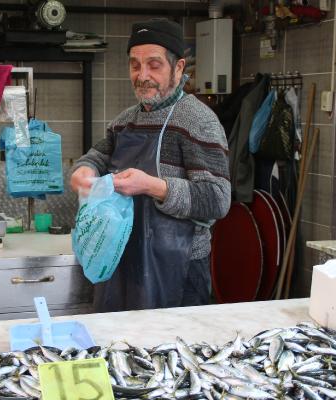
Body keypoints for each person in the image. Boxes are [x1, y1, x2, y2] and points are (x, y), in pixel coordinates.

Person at [70, 18, 231, 312]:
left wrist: (151, 186)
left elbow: (217, 199)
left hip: (178, 269)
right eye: (135, 65)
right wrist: (85, 170)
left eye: (154, 65)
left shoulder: (198, 121)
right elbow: (97, 157)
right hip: (123, 261)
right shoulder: (124, 121)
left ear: (178, 68)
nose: (142, 76)